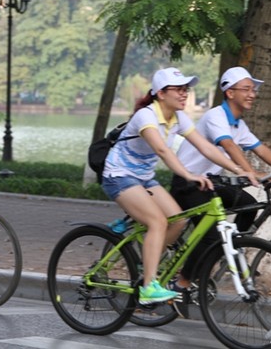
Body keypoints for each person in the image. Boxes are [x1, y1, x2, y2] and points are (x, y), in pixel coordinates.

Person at [102, 67, 257, 305]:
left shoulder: (179, 118)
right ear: (161, 93)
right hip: (119, 176)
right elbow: (163, 150)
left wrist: (240, 170)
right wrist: (188, 174)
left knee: (179, 219)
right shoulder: (147, 115)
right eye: (179, 89)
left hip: (143, 178)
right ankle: (148, 288)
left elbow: (206, 147)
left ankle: (148, 260)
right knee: (158, 221)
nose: (185, 94)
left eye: (187, 89)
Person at [169, 66, 271, 293]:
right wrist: (250, 173)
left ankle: (230, 249)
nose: (252, 94)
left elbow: (261, 149)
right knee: (212, 236)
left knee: (248, 205)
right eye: (246, 89)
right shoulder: (216, 116)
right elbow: (228, 145)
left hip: (211, 182)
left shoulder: (239, 124)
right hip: (187, 183)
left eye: (253, 89)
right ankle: (183, 281)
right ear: (230, 92)